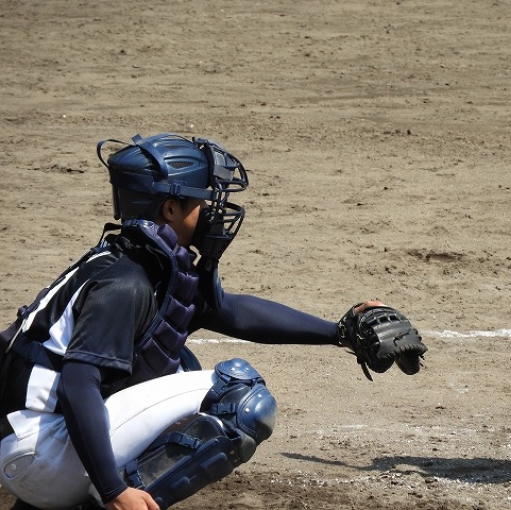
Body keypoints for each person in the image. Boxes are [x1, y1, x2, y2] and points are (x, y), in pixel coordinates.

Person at [0, 133, 426, 510]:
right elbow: (78, 384)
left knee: (176, 361)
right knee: (239, 398)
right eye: (201, 201)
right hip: (39, 455)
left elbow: (234, 313)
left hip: (34, 448)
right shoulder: (125, 284)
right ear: (170, 208)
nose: (211, 211)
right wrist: (114, 490)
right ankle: (112, 503)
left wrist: (339, 332)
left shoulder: (142, 264)